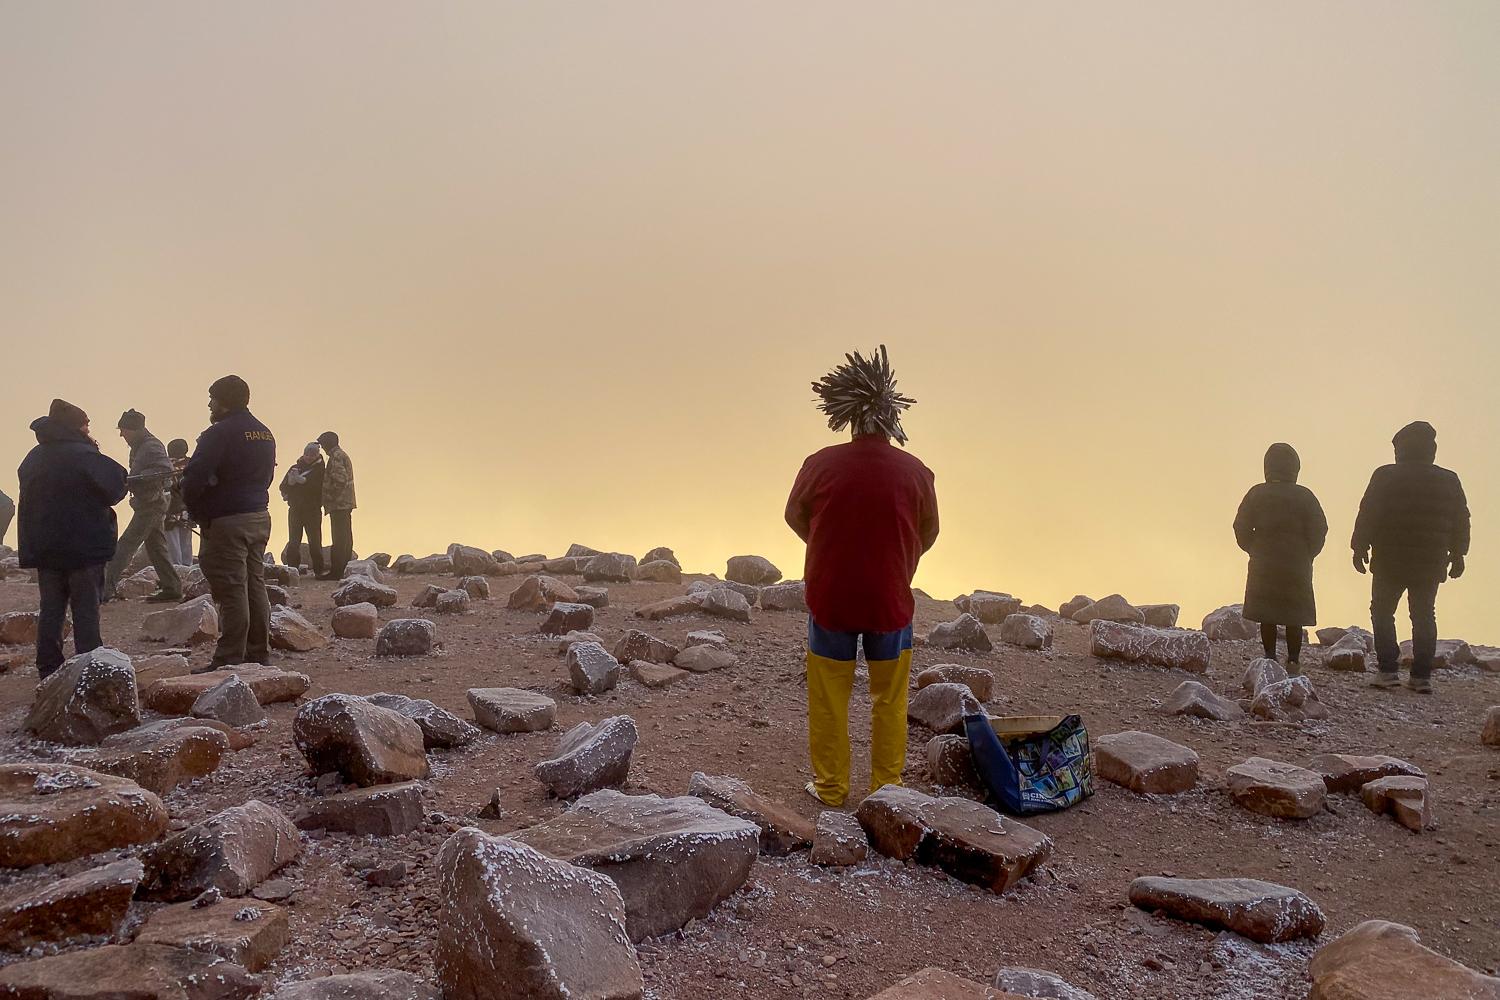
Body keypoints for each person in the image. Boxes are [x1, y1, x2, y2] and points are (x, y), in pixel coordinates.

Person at [785, 347, 940, 807]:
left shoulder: (820, 463)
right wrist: (899, 558)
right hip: (890, 602)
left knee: (830, 698)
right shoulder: (916, 473)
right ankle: (887, 792)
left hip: (831, 598)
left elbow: (795, 516)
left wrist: (828, 547)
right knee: (888, 699)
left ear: (847, 417)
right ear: (893, 419)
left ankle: (832, 788)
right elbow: (929, 532)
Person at [1352, 421, 1470, 694]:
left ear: (1401, 448)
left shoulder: (1385, 476)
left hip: (1390, 559)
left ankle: (1388, 671)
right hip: (1430, 562)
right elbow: (1461, 519)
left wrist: (1359, 547)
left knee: (1382, 612)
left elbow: (1368, 513)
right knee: (1424, 615)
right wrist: (1459, 553)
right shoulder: (1449, 479)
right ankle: (1421, 677)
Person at [16, 399, 128, 678]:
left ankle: (48, 670)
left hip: (46, 548)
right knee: (86, 610)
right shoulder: (85, 455)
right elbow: (116, 487)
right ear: (77, 426)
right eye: (86, 424)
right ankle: (89, 671)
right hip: (84, 547)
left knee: (51, 610)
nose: (89, 429)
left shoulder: (33, 457)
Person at [182, 375, 277, 671]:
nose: (209, 404)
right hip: (258, 516)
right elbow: (268, 477)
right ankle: (258, 652)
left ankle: (229, 658)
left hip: (227, 520)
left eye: (212, 398)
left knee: (232, 589)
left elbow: (194, 477)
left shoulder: (218, 433)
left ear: (224, 402)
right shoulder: (265, 433)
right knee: (255, 585)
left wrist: (195, 509)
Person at [1232, 443, 1328, 672]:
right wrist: (1308, 553)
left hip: (1264, 562)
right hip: (1297, 563)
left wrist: (1253, 548)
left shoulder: (1256, 493)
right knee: (1294, 613)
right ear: (1295, 468)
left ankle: (1269, 657)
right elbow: (1320, 528)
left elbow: (1240, 526)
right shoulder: (1305, 496)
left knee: (1267, 612)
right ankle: (1294, 660)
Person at [103, 410, 182, 603]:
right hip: (150, 503)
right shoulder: (142, 445)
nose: (121, 435)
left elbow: (166, 471)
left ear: (134, 429)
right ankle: (172, 587)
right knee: (157, 548)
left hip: (151, 505)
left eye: (123, 430)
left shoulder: (151, 446)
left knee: (125, 545)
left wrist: (137, 479)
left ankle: (104, 590)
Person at [280, 442, 326, 576]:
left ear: (317, 455)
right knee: (294, 542)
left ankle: (319, 570)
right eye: (306, 454)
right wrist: (290, 482)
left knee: (315, 542)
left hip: (312, 510)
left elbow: (320, 489)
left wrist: (303, 482)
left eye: (311, 455)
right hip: (295, 509)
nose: (308, 457)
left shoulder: (321, 470)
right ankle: (292, 571)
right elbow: (283, 487)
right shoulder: (295, 468)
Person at [317, 430, 356, 579]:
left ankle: (337, 571)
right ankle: (344, 569)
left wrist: (329, 496)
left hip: (339, 504)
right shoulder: (340, 455)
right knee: (345, 537)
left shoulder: (336, 457)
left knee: (339, 538)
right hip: (344, 503)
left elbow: (340, 480)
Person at [163, 438, 194, 567]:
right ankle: (188, 570)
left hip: (170, 510)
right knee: (186, 543)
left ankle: (177, 571)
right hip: (188, 509)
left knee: (173, 546)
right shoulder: (192, 464)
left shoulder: (165, 466)